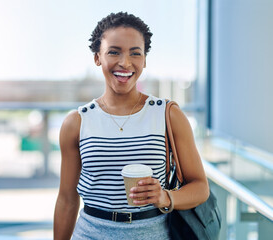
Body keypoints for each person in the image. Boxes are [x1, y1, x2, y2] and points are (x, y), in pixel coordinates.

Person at [53, 12, 209, 240]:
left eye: (135, 53)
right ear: (98, 57)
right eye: (114, 52)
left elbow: (200, 187)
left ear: (144, 60)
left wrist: (166, 197)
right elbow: (67, 199)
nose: (125, 63)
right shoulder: (77, 122)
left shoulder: (168, 114)